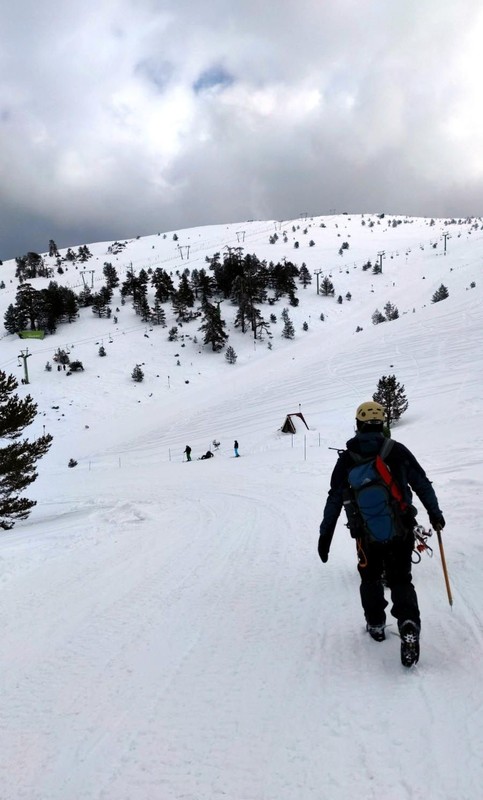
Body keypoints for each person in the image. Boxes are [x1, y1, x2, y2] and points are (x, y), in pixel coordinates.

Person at [317, 401, 445, 667]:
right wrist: (435, 513)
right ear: (382, 424)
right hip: (402, 529)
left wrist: (325, 535)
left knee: (370, 578)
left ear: (358, 424)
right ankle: (408, 623)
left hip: (365, 535)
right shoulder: (396, 450)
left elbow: (334, 498)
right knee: (400, 579)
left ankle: (376, 624)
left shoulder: (347, 458)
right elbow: (421, 482)